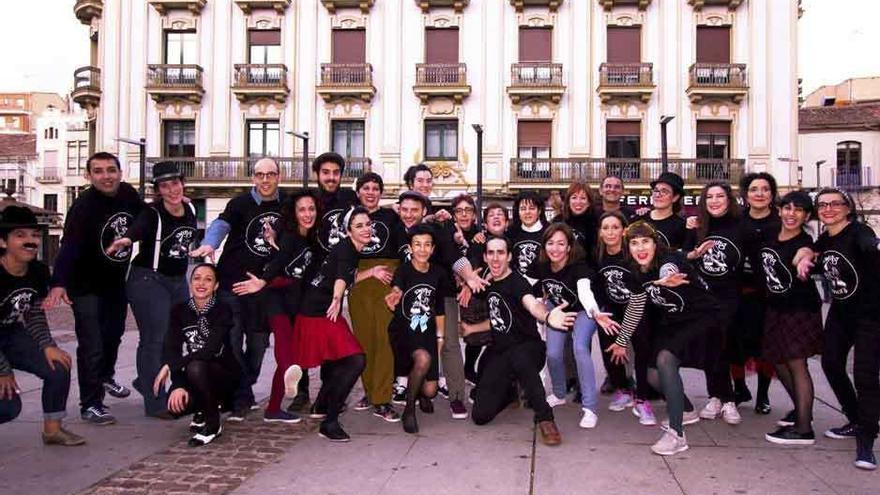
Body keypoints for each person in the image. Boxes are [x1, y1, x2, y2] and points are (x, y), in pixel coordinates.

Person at [45, 151, 144, 425]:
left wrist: (173, 201)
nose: (106, 176)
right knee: (92, 343)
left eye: (111, 170)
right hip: (85, 284)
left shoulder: (127, 194)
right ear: (89, 176)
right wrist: (59, 282)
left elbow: (145, 216)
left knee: (114, 334)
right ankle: (91, 403)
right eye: (98, 171)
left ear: (120, 173)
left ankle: (105, 376)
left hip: (114, 281)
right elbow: (69, 247)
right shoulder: (83, 206)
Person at [607, 221, 722, 456]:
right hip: (673, 321)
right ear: (628, 248)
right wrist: (621, 340)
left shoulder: (670, 260)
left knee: (665, 359)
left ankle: (677, 434)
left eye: (646, 241)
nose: (641, 248)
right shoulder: (633, 271)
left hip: (703, 317)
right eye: (634, 243)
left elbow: (669, 270)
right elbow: (636, 307)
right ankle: (687, 409)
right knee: (651, 374)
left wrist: (664, 279)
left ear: (655, 243)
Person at [189, 157, 282, 420]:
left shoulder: (286, 206)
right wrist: (210, 243)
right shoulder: (240, 203)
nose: (265, 179)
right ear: (253, 177)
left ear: (279, 176)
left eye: (271, 174)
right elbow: (221, 224)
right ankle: (241, 396)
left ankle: (242, 386)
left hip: (263, 288)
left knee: (258, 343)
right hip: (231, 284)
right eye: (260, 174)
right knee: (231, 342)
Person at [462, 237, 577, 446]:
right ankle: (510, 392)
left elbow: (532, 305)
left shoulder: (517, 282)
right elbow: (498, 320)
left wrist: (549, 316)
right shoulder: (489, 285)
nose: (495, 258)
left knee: (520, 358)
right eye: (491, 253)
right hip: (501, 351)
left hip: (529, 349)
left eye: (500, 253)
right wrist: (471, 328)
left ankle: (545, 417)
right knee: (480, 416)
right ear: (486, 257)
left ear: (509, 256)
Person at [105, 161, 197, 419]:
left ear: (182, 183)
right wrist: (126, 239)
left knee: (177, 336)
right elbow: (138, 228)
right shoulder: (152, 213)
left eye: (175, 183)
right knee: (154, 339)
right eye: (165, 186)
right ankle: (155, 402)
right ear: (158, 190)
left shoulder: (189, 207)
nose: (172, 190)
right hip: (148, 279)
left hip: (178, 279)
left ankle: (146, 381)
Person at [393, 191, 487, 419]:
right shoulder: (395, 230)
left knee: (449, 344)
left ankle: (455, 397)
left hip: (442, 296)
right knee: (409, 342)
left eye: (415, 209)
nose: (408, 214)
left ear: (425, 211)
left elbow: (456, 257)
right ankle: (412, 388)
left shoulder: (439, 229)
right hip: (410, 299)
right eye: (404, 209)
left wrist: (470, 277)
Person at [231, 189, 321, 423]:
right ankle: (278, 391)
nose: (307, 214)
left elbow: (292, 260)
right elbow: (279, 263)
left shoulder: (308, 238)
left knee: (289, 351)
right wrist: (262, 281)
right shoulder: (291, 234)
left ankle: (273, 407)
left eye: (311, 209)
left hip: (294, 299)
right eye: (302, 209)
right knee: (284, 348)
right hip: (275, 296)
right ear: (294, 212)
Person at [285, 207, 374, 442]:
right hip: (320, 312)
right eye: (359, 226)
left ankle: (322, 405)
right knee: (356, 359)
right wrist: (337, 299)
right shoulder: (347, 249)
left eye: (367, 224)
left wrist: (371, 272)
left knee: (338, 361)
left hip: (316, 309)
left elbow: (344, 274)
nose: (366, 229)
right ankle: (330, 421)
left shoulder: (349, 249)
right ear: (348, 231)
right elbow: (341, 277)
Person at [0, 206, 85, 446]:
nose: (30, 241)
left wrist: (47, 345)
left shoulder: (37, 271)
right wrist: (3, 370)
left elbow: (33, 312)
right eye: (20, 235)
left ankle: (53, 429)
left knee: (58, 365)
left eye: (34, 235)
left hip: (8, 333)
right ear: (3, 242)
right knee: (7, 407)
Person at [812, 187, 879, 470]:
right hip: (841, 313)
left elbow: (871, 247)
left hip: (870, 314)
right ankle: (855, 418)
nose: (828, 209)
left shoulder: (860, 232)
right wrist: (807, 254)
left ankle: (866, 439)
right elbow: (815, 252)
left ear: (848, 208)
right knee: (830, 363)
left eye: (835, 204)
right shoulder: (826, 237)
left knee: (865, 374)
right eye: (822, 205)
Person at [531, 223, 617, 429]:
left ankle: (590, 408)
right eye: (550, 243)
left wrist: (595, 313)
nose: (555, 248)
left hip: (584, 310)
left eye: (561, 243)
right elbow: (531, 285)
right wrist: (540, 303)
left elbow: (585, 292)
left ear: (569, 247)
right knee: (552, 353)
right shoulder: (542, 265)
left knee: (580, 348)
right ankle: (559, 394)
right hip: (558, 308)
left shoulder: (579, 267)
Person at [759, 191, 822, 445]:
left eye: (798, 210)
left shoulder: (804, 242)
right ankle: (801, 409)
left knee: (797, 364)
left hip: (799, 309)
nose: (791, 214)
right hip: (775, 308)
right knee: (778, 361)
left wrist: (808, 256)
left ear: (806, 215)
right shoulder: (771, 235)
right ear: (780, 210)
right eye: (787, 208)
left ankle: (804, 428)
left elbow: (812, 252)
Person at [153, 263, 240, 447]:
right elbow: (172, 348)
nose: (201, 283)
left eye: (208, 280)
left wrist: (171, 366)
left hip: (223, 373)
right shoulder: (179, 310)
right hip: (196, 372)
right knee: (176, 406)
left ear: (216, 286)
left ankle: (213, 424)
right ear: (190, 282)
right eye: (197, 278)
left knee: (196, 365)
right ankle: (202, 407)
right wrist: (178, 384)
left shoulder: (223, 309)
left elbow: (209, 350)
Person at [684, 182, 744, 426]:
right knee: (711, 346)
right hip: (702, 297)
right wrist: (693, 251)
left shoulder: (741, 226)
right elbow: (683, 257)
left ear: (729, 200)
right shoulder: (698, 226)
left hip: (729, 297)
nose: (715, 201)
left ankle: (728, 399)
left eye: (720, 196)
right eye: (709, 196)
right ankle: (716, 397)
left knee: (722, 344)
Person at [384, 224, 450, 434]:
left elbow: (439, 309)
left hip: (426, 331)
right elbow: (397, 288)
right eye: (417, 244)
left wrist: (440, 338)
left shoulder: (438, 273)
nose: (422, 249)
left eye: (427, 245)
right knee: (422, 359)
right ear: (411, 247)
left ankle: (421, 395)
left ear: (432, 249)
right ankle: (409, 410)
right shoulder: (403, 270)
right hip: (404, 331)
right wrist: (394, 296)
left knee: (431, 391)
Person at [593, 211, 656, 425]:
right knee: (609, 346)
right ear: (600, 233)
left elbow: (641, 293)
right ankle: (623, 388)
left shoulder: (632, 255)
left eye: (615, 227)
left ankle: (642, 398)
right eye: (606, 228)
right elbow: (599, 286)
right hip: (612, 308)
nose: (610, 232)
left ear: (623, 230)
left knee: (641, 347)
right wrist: (601, 312)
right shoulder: (599, 255)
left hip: (637, 308)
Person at [347, 173, 399, 421]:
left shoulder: (391, 217)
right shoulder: (349, 218)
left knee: (385, 341)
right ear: (358, 192)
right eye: (365, 188)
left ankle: (382, 397)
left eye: (375, 188)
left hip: (386, 281)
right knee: (364, 342)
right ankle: (370, 392)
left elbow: (403, 248)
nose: (370, 192)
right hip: (360, 284)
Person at [732, 172, 780, 414]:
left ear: (772, 194)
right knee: (734, 343)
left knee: (765, 346)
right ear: (746, 194)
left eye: (764, 189)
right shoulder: (737, 220)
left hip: (768, 296)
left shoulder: (781, 221)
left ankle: (763, 395)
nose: (759, 193)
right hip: (739, 292)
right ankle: (739, 388)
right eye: (753, 189)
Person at [314, 152, 358, 255]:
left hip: (347, 265)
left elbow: (372, 208)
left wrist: (395, 206)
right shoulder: (309, 201)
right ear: (317, 174)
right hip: (319, 267)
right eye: (326, 172)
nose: (331, 178)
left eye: (336, 173)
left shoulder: (351, 197)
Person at [638, 172, 687, 250]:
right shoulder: (638, 219)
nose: (658, 195)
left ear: (675, 197)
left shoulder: (681, 226)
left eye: (664, 191)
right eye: (656, 190)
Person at [551, 182, 598, 263]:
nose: (578, 202)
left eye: (583, 198)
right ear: (568, 201)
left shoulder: (596, 223)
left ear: (589, 202)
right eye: (574, 197)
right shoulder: (558, 221)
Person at [509, 190, 547, 280]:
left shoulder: (549, 232)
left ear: (539, 211)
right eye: (523, 208)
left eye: (532, 208)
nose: (527, 212)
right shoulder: (511, 232)